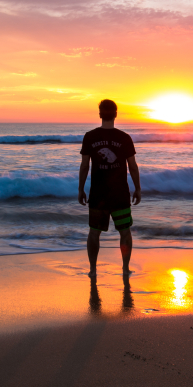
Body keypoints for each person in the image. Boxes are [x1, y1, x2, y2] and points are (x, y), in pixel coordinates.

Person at [78, 99, 141, 277]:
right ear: (115, 114)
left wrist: (80, 189)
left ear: (100, 114)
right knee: (125, 232)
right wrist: (138, 188)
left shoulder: (90, 136)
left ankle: (92, 270)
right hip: (120, 193)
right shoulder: (124, 137)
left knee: (94, 233)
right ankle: (125, 269)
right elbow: (133, 166)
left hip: (98, 193)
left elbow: (84, 166)